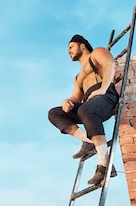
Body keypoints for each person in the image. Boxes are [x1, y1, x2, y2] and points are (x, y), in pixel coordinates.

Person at [48, 34, 119, 185]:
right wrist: (67, 102)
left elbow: (110, 65)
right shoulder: (78, 77)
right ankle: (88, 141)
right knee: (55, 113)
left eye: (71, 47)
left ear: (82, 46)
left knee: (85, 110)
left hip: (105, 97)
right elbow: (76, 97)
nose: (68, 51)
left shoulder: (97, 53)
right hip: (88, 105)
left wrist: (103, 89)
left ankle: (103, 165)